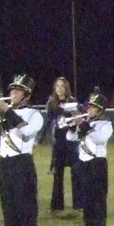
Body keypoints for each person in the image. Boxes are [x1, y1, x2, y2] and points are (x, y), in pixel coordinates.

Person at [0, 74, 45, 226]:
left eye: (17, 90)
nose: (12, 93)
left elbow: (26, 131)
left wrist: (7, 110)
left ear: (27, 95)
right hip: (5, 164)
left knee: (25, 209)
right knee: (9, 209)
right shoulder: (3, 113)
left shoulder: (34, 114)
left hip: (22, 164)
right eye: (12, 90)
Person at [63, 91, 113, 226]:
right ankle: (88, 221)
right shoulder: (86, 122)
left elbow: (98, 139)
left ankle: (99, 222)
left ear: (100, 110)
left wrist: (82, 124)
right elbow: (70, 138)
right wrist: (72, 127)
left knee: (98, 194)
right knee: (86, 193)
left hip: (97, 163)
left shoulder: (105, 124)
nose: (88, 110)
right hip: (83, 162)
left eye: (92, 107)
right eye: (88, 107)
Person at [45, 77, 79, 211]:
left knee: (76, 173)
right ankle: (57, 205)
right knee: (57, 175)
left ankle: (79, 204)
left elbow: (78, 119)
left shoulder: (73, 101)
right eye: (57, 86)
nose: (59, 88)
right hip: (58, 143)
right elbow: (48, 122)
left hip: (71, 142)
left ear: (66, 88)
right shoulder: (51, 102)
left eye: (62, 86)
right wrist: (38, 139)